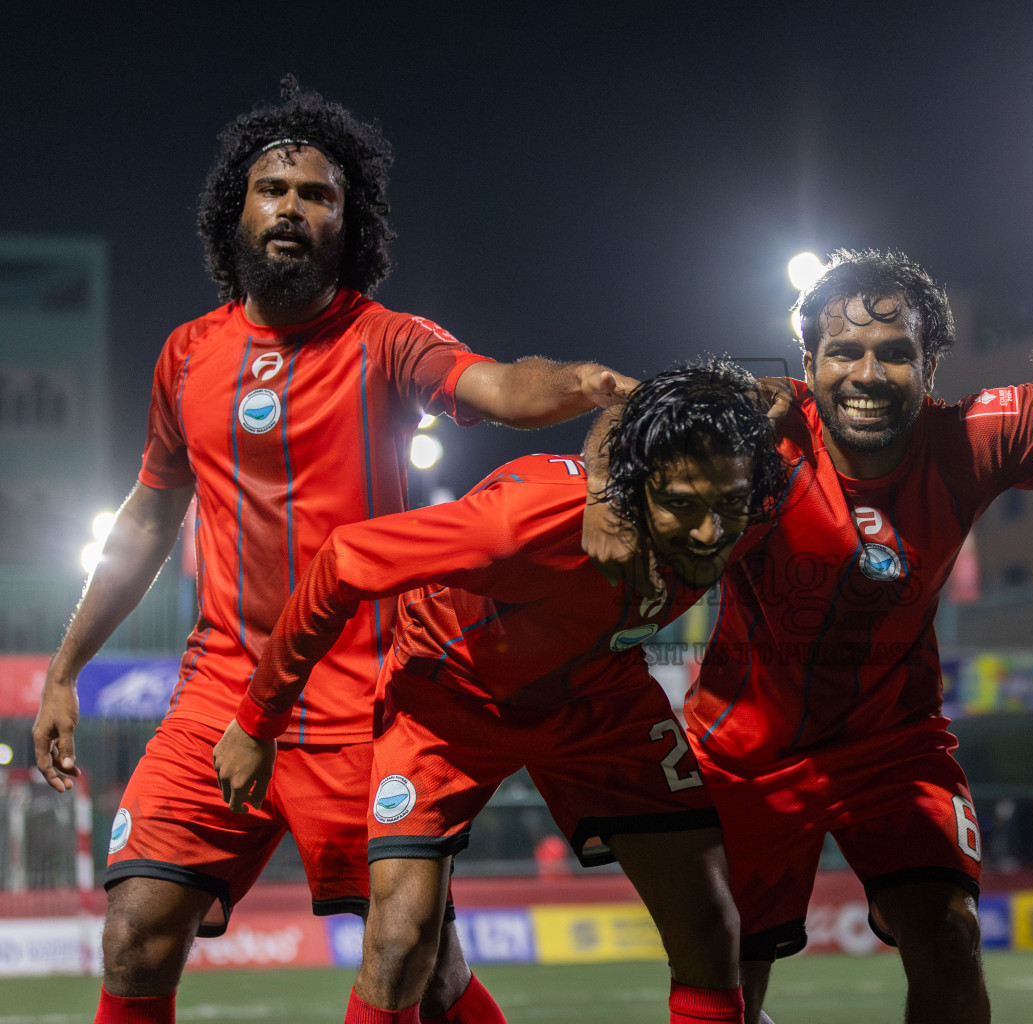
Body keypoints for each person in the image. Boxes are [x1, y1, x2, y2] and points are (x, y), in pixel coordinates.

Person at [30, 77, 630, 1024]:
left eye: (320, 197)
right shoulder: (185, 355)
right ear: (238, 209)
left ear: (348, 225)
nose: (294, 209)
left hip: (367, 695)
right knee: (136, 931)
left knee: (421, 969)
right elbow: (147, 518)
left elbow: (502, 386)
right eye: (276, 189)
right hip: (221, 686)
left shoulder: (386, 341)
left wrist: (589, 384)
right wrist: (65, 669)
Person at [586, 250, 1033, 1024]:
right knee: (727, 978)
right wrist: (602, 498)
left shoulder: (979, 436)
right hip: (743, 755)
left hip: (896, 748)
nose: (867, 373)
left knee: (950, 937)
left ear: (931, 368)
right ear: (808, 364)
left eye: (895, 353)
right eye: (843, 352)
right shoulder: (760, 428)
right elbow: (630, 410)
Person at [214, 360, 785, 1024]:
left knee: (712, 924)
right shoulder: (521, 525)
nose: (709, 533)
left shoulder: (740, 485)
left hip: (598, 697)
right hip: (450, 700)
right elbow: (341, 562)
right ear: (638, 484)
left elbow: (690, 400)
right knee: (401, 944)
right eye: (682, 505)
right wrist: (257, 721)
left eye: (729, 507)